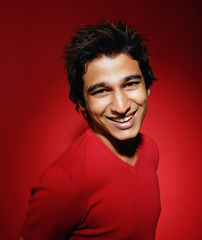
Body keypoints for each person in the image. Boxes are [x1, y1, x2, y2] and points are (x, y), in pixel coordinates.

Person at [20, 20, 161, 240]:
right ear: (81, 103)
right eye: (102, 91)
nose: (122, 106)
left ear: (147, 86)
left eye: (131, 84)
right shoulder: (62, 182)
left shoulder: (150, 150)